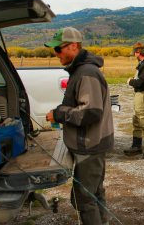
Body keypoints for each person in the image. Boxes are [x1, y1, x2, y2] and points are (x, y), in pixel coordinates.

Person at [44, 27, 114, 225]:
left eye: (58, 49)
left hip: (90, 145)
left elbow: (90, 111)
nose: (55, 53)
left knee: (84, 199)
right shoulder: (81, 70)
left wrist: (59, 114)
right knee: (94, 193)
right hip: (90, 143)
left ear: (73, 46)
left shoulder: (87, 72)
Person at [123, 42, 144, 159]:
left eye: (135, 53)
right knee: (136, 120)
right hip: (140, 94)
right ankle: (136, 146)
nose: (134, 55)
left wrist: (130, 81)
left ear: (138, 52)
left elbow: (141, 82)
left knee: (143, 121)